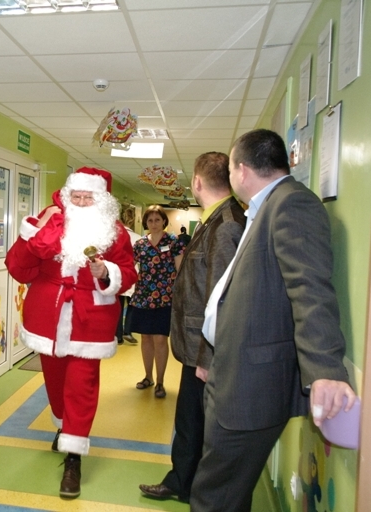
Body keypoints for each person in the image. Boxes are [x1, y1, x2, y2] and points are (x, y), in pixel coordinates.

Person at [191, 129, 356, 512]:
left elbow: (310, 287)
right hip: (234, 373)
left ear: (242, 170)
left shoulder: (291, 204)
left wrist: (325, 369)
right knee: (226, 490)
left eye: (231, 169)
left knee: (214, 496)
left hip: (252, 385)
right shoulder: (265, 207)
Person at [5, 167, 136, 499]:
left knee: (82, 385)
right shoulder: (50, 223)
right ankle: (64, 426)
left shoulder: (116, 233)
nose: (80, 202)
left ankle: (74, 457)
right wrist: (32, 230)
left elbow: (128, 274)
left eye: (87, 197)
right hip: (47, 318)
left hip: (91, 320)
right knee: (55, 381)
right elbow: (18, 268)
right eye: (75, 196)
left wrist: (107, 272)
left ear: (101, 199)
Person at [139, 152, 245, 502]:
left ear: (197, 182)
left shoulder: (226, 224)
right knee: (189, 420)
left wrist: (208, 357)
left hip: (205, 348)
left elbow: (222, 298)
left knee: (196, 421)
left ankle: (190, 487)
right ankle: (182, 481)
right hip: (196, 345)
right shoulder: (216, 219)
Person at [127, 205, 186, 399]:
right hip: (143, 297)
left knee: (160, 339)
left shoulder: (173, 242)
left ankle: (160, 381)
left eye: (157, 220)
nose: (154, 224)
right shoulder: (140, 244)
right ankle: (148, 377)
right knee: (145, 338)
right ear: (146, 222)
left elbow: (180, 270)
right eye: (150, 220)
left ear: (163, 221)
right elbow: (129, 267)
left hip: (165, 298)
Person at [116, 222, 141, 344]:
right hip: (133, 274)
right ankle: (128, 331)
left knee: (119, 306)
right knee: (132, 305)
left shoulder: (116, 236)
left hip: (119, 274)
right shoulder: (138, 238)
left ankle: (118, 336)